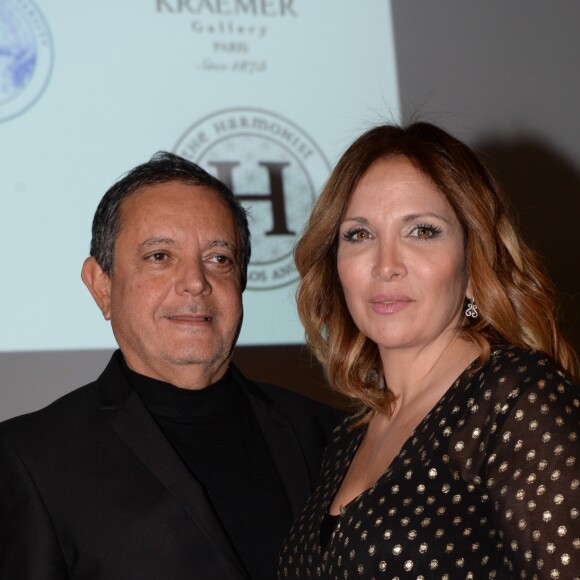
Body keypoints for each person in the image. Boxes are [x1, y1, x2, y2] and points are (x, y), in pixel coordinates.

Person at [0, 152, 340, 579]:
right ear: (101, 286)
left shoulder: (330, 437)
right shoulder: (29, 459)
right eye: (159, 256)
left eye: (219, 258)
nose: (196, 282)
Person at [278, 122, 580, 579]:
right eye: (359, 235)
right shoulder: (347, 440)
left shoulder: (521, 400)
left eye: (422, 231)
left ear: (474, 260)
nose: (386, 266)